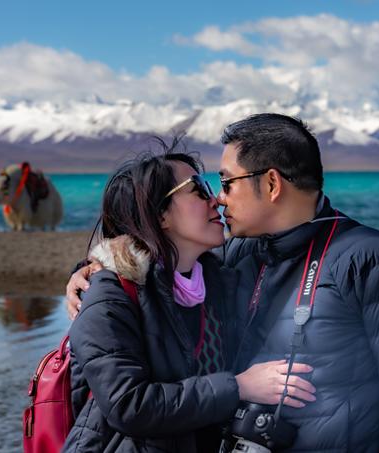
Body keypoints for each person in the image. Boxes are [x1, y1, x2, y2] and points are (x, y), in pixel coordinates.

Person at [67, 114, 379, 452]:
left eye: (225, 182)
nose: (218, 199)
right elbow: (158, 265)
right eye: (206, 187)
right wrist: (91, 271)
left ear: (271, 184)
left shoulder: (372, 260)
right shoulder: (239, 255)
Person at [63, 141, 316, 453]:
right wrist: (240, 386)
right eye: (197, 188)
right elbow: (129, 405)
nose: (217, 201)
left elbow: (292, 240)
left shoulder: (217, 281)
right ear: (160, 215)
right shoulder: (109, 295)